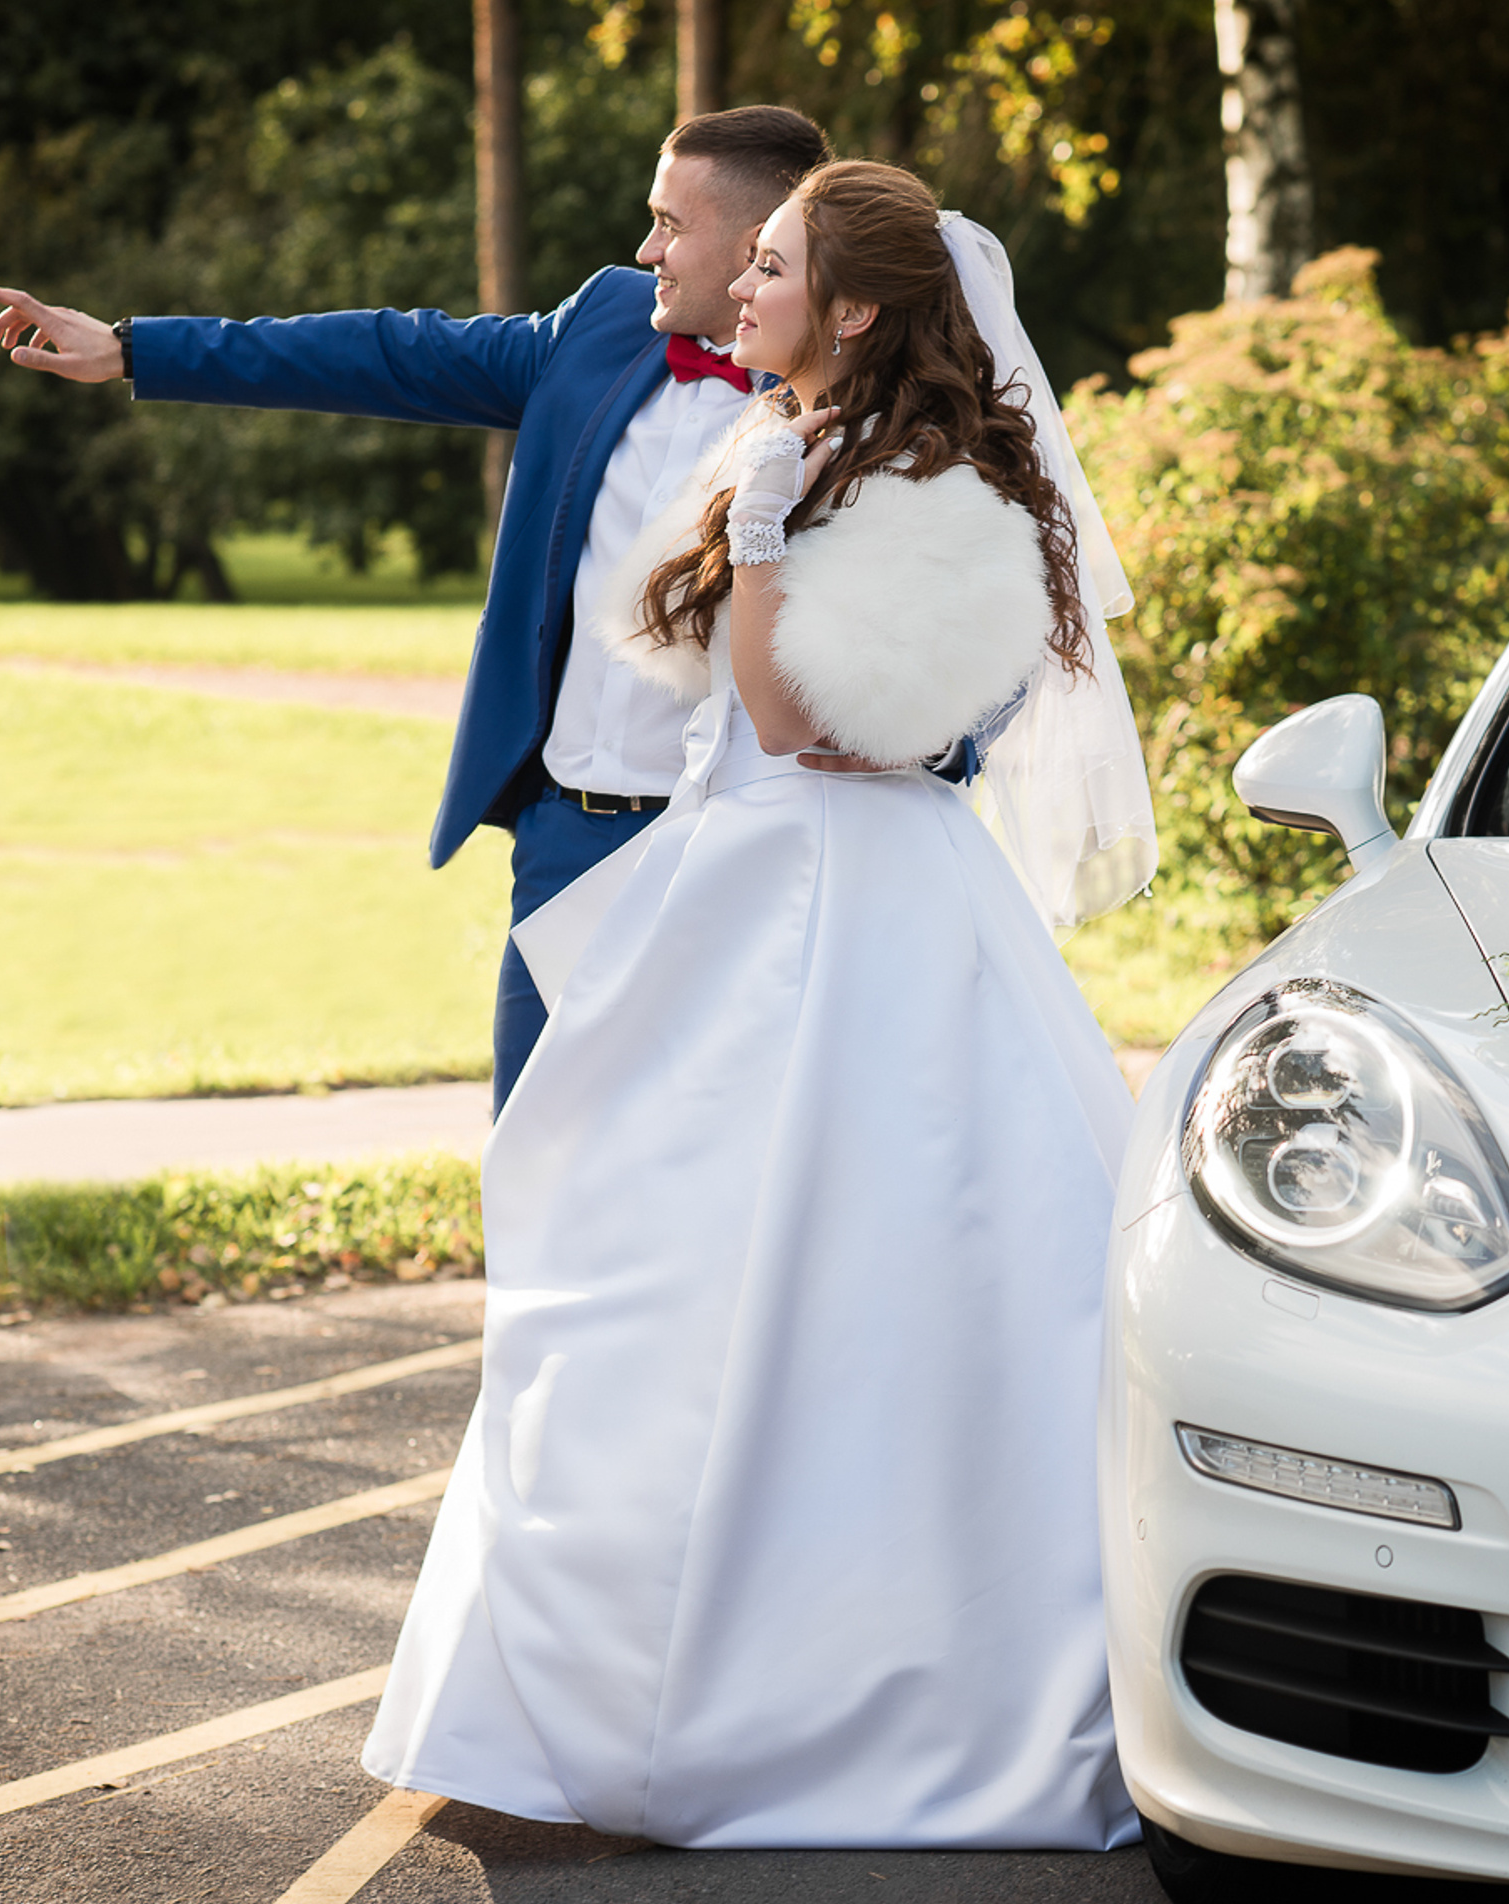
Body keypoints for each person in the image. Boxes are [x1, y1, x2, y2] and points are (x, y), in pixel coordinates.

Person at [360, 159, 1158, 1850]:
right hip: (732, 891)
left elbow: (811, 723)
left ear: (852, 307)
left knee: (834, 1310)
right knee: (642, 1284)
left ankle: (770, 1716)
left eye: (771, 262)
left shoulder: (936, 486)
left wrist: (776, 532)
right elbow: (677, 682)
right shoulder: (788, 445)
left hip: (852, 915)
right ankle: (585, 1715)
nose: (737, 285)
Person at [0, 106, 841, 1111]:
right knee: (533, 1171)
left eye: (668, 226)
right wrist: (137, 351)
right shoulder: (604, 326)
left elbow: (944, 628)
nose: (645, 248)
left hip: (734, 861)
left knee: (712, 1190)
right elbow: (389, 353)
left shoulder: (859, 410)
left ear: (754, 248)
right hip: (565, 844)